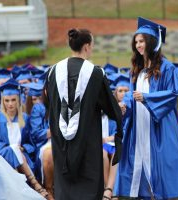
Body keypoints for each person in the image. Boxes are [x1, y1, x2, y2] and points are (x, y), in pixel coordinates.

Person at [115, 17, 178, 199]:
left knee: (160, 162)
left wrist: (147, 98)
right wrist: (125, 105)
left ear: (151, 42)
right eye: (136, 42)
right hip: (139, 123)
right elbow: (131, 94)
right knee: (139, 159)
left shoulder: (167, 68)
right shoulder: (136, 69)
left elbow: (173, 93)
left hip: (159, 123)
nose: (139, 45)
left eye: (142, 41)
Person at [44, 28, 123, 200]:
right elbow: (108, 105)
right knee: (88, 181)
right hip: (87, 140)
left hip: (61, 141)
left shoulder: (52, 72)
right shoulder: (95, 73)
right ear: (87, 46)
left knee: (65, 185)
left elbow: (49, 104)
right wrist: (119, 111)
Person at [0, 79, 48, 198]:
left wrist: (23, 148)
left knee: (16, 150)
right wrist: (9, 148)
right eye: (6, 100)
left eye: (13, 100)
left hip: (23, 156)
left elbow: (30, 142)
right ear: (3, 101)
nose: (10, 104)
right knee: (12, 149)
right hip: (2, 155)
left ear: (18, 101)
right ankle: (35, 184)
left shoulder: (25, 118)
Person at [23, 82, 54, 200]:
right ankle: (48, 188)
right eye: (34, 98)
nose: (37, 101)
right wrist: (55, 131)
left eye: (39, 98)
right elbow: (35, 134)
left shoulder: (61, 104)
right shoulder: (39, 108)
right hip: (44, 143)